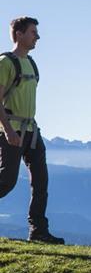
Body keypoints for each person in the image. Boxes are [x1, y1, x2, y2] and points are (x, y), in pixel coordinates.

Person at [0, 16, 64, 244]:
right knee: (6, 182)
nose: (37, 36)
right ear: (19, 34)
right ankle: (38, 230)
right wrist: (8, 131)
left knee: (41, 181)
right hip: (12, 131)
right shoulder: (6, 63)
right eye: (33, 32)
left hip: (31, 131)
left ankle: (38, 230)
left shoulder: (32, 63)